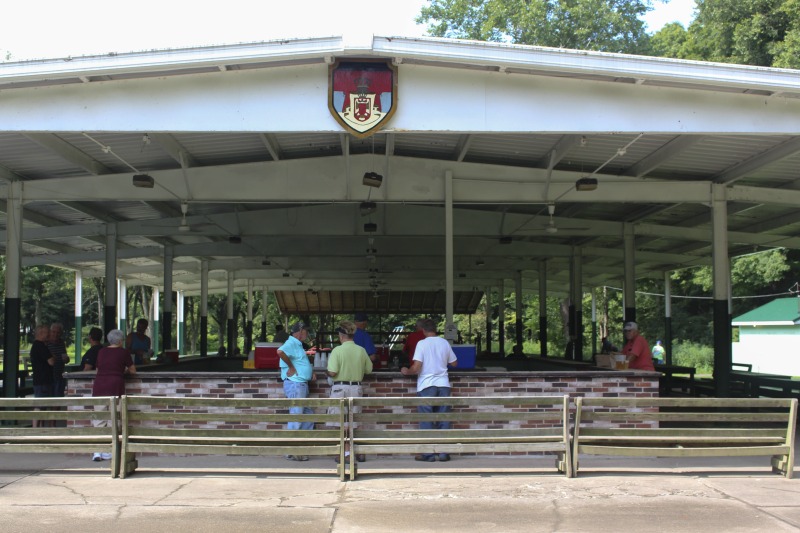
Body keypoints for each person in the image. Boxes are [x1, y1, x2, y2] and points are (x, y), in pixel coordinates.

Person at [400, 318, 458, 462]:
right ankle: (444, 453)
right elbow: (454, 363)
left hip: (426, 385)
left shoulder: (422, 344)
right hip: (443, 385)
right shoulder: (444, 342)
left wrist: (407, 371)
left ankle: (428, 454)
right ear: (435, 329)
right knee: (444, 419)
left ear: (423, 331)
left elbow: (417, 366)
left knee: (426, 420)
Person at [326, 320, 373, 463]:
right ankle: (354, 450)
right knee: (353, 422)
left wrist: (327, 373)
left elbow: (333, 372)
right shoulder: (361, 350)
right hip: (356, 388)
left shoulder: (337, 351)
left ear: (341, 335)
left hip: (340, 388)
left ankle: (346, 452)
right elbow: (369, 370)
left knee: (342, 423)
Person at [91, 328, 135, 461]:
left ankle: (98, 451)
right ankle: (111, 450)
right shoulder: (124, 352)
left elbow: (98, 369)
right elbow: (133, 370)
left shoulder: (101, 352)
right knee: (114, 419)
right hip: (115, 386)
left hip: (99, 386)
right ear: (120, 341)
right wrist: (124, 371)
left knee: (99, 419)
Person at [277, 321, 317, 461]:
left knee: (308, 415)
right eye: (306, 331)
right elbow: (280, 351)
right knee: (297, 415)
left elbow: (300, 361)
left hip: (301, 384)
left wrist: (309, 372)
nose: (307, 334)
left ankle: (300, 447)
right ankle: (292, 450)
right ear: (300, 331)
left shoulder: (297, 345)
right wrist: (291, 367)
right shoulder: (292, 343)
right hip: (295, 384)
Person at [47, 322, 70, 397]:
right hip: (48, 376)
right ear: (50, 331)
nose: (55, 334)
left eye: (58, 332)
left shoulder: (61, 343)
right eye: (53, 332)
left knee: (58, 398)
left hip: (59, 375)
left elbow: (64, 356)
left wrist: (66, 359)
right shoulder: (45, 343)